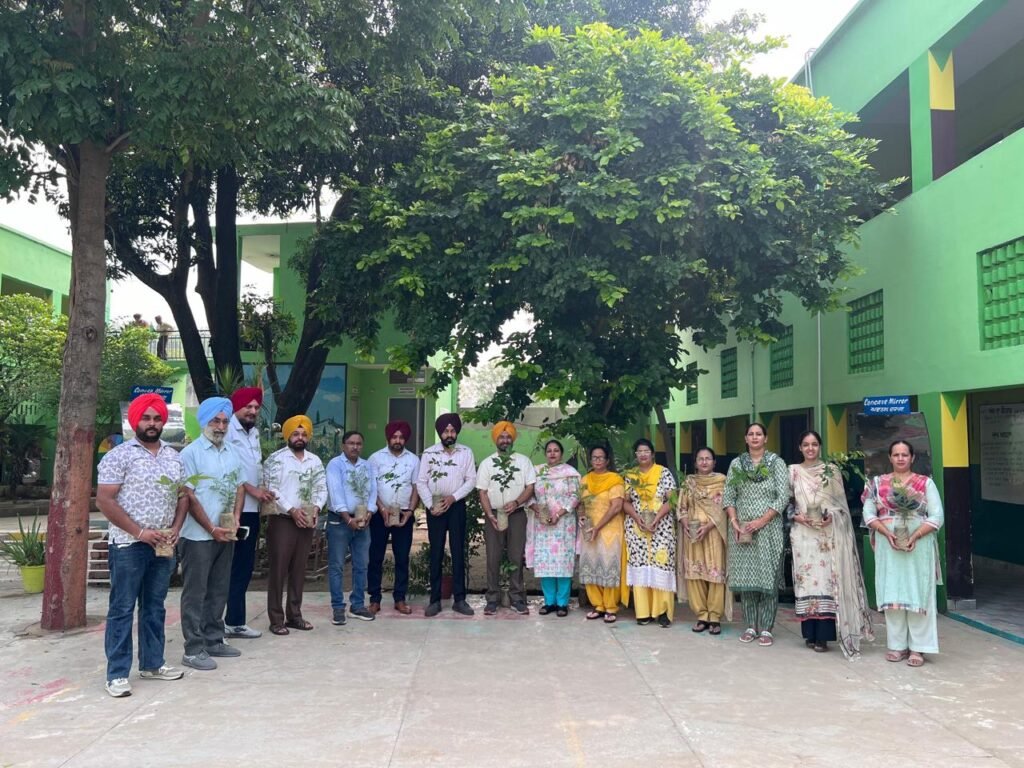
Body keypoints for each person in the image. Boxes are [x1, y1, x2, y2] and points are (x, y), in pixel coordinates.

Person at [96, 393, 187, 698]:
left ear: (163, 421)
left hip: (162, 544)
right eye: (146, 418)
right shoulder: (118, 456)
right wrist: (139, 532)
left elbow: (183, 497)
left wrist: (175, 529)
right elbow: (104, 500)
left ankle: (152, 663)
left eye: (157, 418)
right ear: (135, 421)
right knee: (122, 608)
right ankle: (118, 673)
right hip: (128, 545)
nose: (152, 423)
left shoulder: (175, 457)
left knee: (154, 606)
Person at [789, 431, 874, 656]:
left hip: (828, 535)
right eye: (805, 444)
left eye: (814, 444)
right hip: (803, 537)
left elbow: (841, 505)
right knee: (806, 582)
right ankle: (809, 633)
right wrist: (796, 517)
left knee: (827, 582)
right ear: (799, 447)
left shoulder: (831, 471)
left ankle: (824, 637)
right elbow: (787, 503)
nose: (810, 448)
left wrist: (831, 516)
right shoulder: (793, 472)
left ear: (820, 447)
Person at [862, 440, 944, 667]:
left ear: (912, 457)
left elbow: (937, 516)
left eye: (904, 454)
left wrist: (915, 535)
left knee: (918, 591)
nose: (900, 458)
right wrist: (886, 534)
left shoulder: (925, 483)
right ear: (889, 457)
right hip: (888, 545)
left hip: (918, 546)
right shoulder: (877, 483)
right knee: (892, 590)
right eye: (896, 454)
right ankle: (897, 646)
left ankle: (919, 648)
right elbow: (868, 513)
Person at [178, 397, 246, 671]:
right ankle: (193, 649)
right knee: (196, 592)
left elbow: (240, 487)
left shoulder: (231, 451)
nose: (220, 426)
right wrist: (211, 528)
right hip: (197, 536)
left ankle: (214, 639)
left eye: (224, 421)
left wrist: (236, 518)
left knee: (219, 588)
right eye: (215, 421)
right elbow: (189, 496)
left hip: (226, 533)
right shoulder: (190, 454)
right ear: (204, 422)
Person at [723, 422, 790, 647]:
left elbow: (783, 496)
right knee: (746, 579)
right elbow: (728, 495)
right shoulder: (736, 464)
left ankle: (767, 628)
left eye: (758, 434)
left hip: (768, 529)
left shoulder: (776, 463)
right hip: (742, 530)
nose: (754, 437)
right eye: (750, 434)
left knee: (768, 577)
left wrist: (761, 521)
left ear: (766, 438)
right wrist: (734, 521)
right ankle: (750, 625)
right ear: (745, 438)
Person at [262, 415, 326, 635]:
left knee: (300, 570)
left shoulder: (314, 461)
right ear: (287, 435)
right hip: (283, 520)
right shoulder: (275, 459)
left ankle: (294, 616)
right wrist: (292, 509)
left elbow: (321, 487)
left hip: (306, 520)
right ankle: (276, 619)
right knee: (279, 570)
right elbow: (272, 489)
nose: (300, 438)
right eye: (295, 433)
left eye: (304, 434)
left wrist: (316, 507)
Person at [224, 387, 276, 640]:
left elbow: (253, 468)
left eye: (256, 408)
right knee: (228, 566)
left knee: (244, 566)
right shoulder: (226, 431)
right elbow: (231, 471)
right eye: (249, 407)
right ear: (237, 407)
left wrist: (262, 490)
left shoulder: (253, 433)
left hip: (252, 510)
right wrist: (253, 489)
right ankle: (220, 622)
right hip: (232, 510)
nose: (253, 411)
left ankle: (235, 621)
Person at [415, 413, 477, 617]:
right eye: (445, 431)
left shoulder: (466, 452)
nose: (449, 434)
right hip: (435, 507)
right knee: (436, 553)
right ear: (440, 433)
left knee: (459, 551)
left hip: (456, 505)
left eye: (452, 431)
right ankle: (434, 600)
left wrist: (453, 497)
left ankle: (460, 599)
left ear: (456, 432)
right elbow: (421, 481)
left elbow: (470, 480)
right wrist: (430, 505)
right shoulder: (429, 453)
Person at [477, 421, 537, 616]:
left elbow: (530, 487)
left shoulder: (523, 462)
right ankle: (492, 598)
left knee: (515, 556)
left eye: (508, 436)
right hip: (494, 515)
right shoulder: (487, 463)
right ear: (496, 439)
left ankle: (517, 598)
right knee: (493, 557)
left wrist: (517, 502)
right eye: (501, 437)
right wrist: (489, 514)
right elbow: (483, 492)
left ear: (512, 439)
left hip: (517, 515)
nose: (505, 440)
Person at [623, 438, 678, 627]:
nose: (643, 454)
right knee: (640, 566)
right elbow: (625, 501)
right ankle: (643, 612)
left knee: (661, 564)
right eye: (639, 451)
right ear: (636, 455)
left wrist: (656, 519)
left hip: (661, 527)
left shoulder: (663, 473)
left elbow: (671, 500)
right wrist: (638, 519)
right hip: (636, 529)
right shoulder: (631, 475)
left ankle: (663, 612)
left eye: (646, 451)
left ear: (652, 453)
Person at [367, 420, 420, 615]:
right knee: (375, 557)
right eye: (394, 437)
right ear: (388, 437)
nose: (397, 440)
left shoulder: (413, 460)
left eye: (401, 437)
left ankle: (400, 598)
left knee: (402, 557)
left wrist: (410, 512)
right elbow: (372, 487)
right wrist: (381, 508)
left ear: (405, 439)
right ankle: (374, 599)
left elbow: (416, 488)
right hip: (380, 516)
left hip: (404, 515)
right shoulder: (375, 459)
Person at [325, 430, 378, 624]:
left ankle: (357, 605)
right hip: (340, 522)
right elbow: (336, 493)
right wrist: (348, 519)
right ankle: (338, 608)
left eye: (358, 443)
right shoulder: (335, 465)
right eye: (350, 443)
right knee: (337, 565)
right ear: (343, 445)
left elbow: (373, 491)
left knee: (361, 565)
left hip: (363, 521)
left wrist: (370, 512)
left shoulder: (367, 466)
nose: (355, 447)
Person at [677, 446, 731, 635]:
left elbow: (725, 509)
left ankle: (715, 617)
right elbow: (682, 507)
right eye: (700, 459)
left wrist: (707, 527)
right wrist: (685, 524)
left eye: (708, 458)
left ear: (714, 462)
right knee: (695, 573)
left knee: (715, 573)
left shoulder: (722, 482)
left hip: (714, 533)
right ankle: (701, 615)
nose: (704, 462)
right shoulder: (689, 483)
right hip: (692, 535)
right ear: (695, 462)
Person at [526, 439, 580, 617]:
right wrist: (539, 511)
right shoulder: (537, 472)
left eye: (556, 450)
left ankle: (563, 603)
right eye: (549, 450)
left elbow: (575, 496)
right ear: (545, 453)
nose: (552, 453)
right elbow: (529, 495)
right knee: (546, 563)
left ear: (561, 454)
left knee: (563, 564)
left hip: (564, 525)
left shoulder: (570, 473)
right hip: (543, 524)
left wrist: (559, 513)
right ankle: (549, 602)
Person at [578, 445, 628, 624]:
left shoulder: (615, 480)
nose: (597, 460)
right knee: (590, 565)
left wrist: (598, 527)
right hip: (590, 530)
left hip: (610, 530)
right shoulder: (585, 480)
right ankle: (598, 605)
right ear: (591, 460)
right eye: (594, 457)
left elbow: (616, 507)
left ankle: (611, 606)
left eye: (601, 458)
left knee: (609, 567)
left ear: (607, 460)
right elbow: (581, 504)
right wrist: (582, 518)